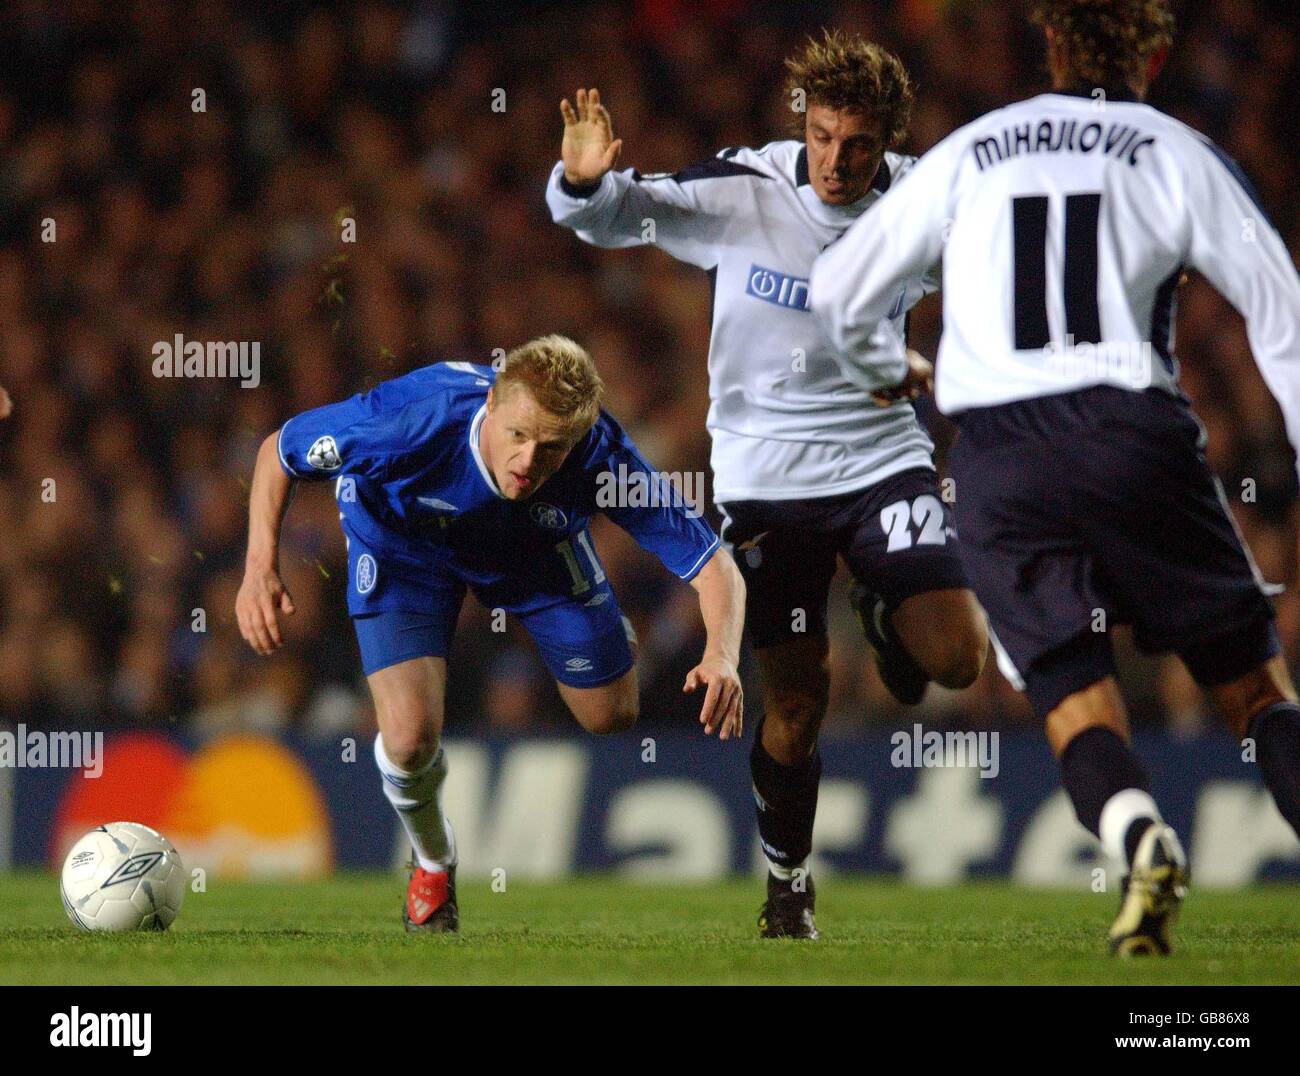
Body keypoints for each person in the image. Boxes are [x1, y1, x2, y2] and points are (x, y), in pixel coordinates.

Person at [811, 0, 1300, 955]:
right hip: (1131, 433)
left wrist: (882, 367)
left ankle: (1138, 836)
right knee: (1254, 692)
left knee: (1071, 693)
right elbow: (1279, 310)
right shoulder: (1174, 150)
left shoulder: (974, 149)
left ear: (1051, 44)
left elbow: (838, 291)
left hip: (999, 457)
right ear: (1155, 53)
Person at [547, 30, 987, 939]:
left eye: (858, 143)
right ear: (804, 125)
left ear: (889, 140)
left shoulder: (925, 204)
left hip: (878, 458)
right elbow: (623, 214)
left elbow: (993, 286)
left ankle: (884, 611)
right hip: (764, 479)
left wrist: (924, 361)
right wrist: (586, 183)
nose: (835, 160)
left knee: (956, 660)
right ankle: (788, 884)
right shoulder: (748, 190)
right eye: (821, 136)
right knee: (795, 701)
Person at [237, 335, 746, 932]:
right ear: (493, 405)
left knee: (611, 714)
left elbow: (715, 564)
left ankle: (602, 619)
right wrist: (258, 566)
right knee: (406, 739)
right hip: (404, 548)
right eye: (519, 436)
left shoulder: (601, 454)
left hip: (529, 552)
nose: (529, 460)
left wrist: (722, 655)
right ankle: (432, 862)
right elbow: (278, 451)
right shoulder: (408, 421)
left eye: (552, 448)